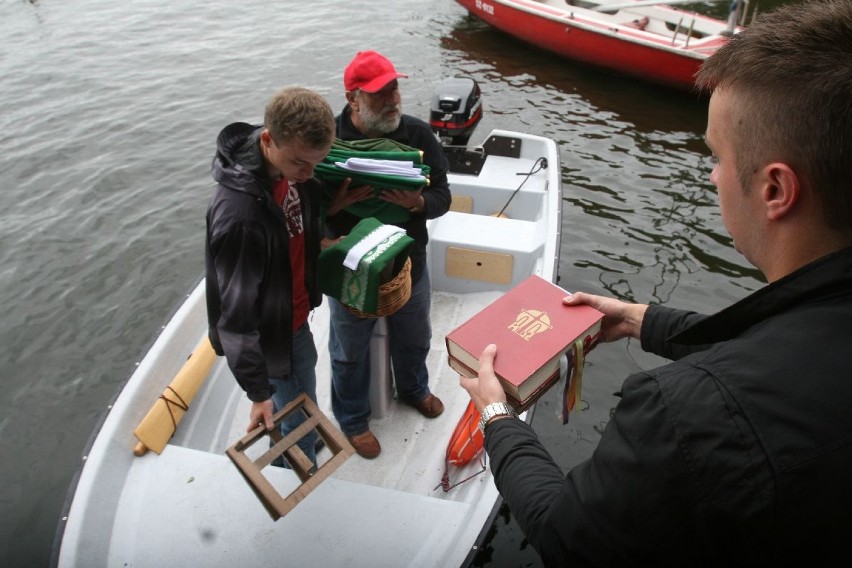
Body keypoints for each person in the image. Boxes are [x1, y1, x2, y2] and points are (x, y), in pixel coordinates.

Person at [460, 0, 852, 565]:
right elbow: (786, 348)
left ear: (775, 191)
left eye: (717, 156)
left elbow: (567, 537)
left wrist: (497, 416)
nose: (713, 175)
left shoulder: (684, 414)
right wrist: (641, 320)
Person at [324, 50, 452, 458]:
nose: (394, 99)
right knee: (348, 350)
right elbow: (305, 211)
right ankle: (353, 420)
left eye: (395, 88)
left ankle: (415, 389)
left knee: (416, 335)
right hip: (351, 268)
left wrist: (417, 204)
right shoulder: (326, 139)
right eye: (381, 94)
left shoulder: (417, 134)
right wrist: (335, 206)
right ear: (352, 98)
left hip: (408, 259)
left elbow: (443, 195)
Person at [205, 86, 336, 469]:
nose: (309, 175)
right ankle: (296, 469)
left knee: (299, 399)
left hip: (294, 316)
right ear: (267, 139)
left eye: (316, 163)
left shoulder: (288, 168)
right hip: (273, 338)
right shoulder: (240, 218)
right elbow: (235, 316)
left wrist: (322, 239)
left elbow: (296, 219)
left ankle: (300, 443)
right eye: (300, 165)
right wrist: (257, 392)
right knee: (296, 413)